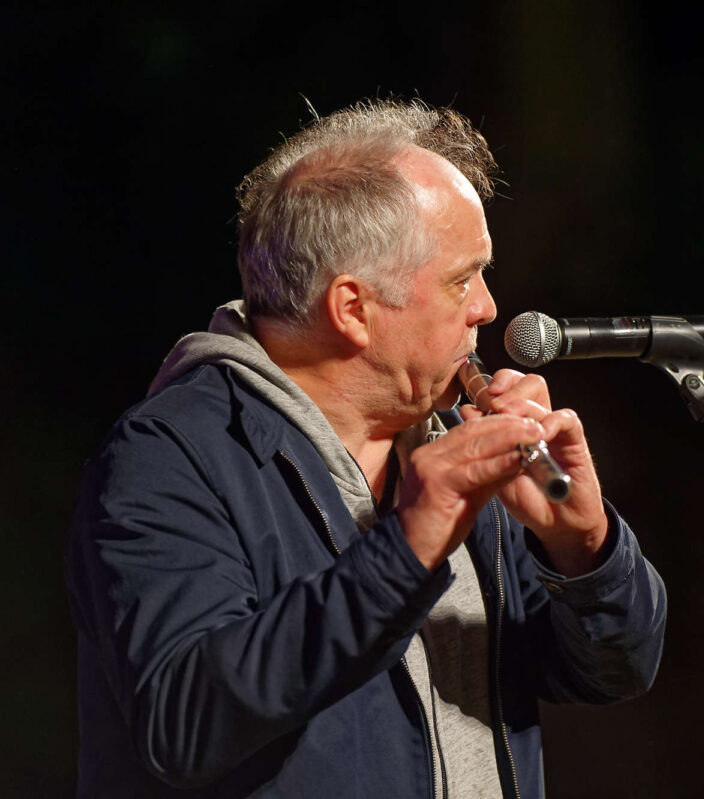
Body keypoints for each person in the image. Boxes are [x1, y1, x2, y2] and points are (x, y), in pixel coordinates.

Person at [65, 99, 667, 799]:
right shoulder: (169, 456)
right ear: (353, 309)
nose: (488, 307)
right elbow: (184, 722)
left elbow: (616, 672)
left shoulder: (453, 442)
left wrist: (584, 548)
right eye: (462, 279)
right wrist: (409, 546)